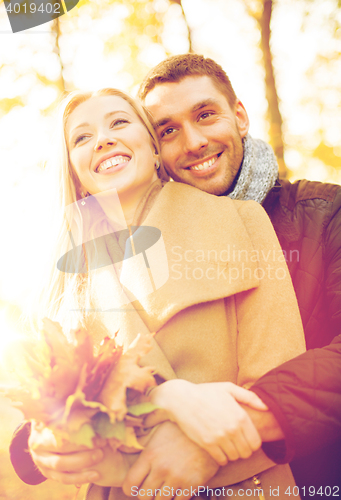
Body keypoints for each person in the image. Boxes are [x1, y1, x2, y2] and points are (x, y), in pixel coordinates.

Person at [9, 87, 306, 499]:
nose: (103, 139)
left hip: (246, 485)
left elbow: (277, 383)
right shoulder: (64, 278)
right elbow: (69, 424)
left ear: (153, 146)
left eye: (119, 122)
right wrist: (165, 397)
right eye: (81, 137)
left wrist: (185, 443)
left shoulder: (241, 220)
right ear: (74, 170)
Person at [135, 53, 341, 493]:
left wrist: (218, 436)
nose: (192, 142)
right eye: (167, 130)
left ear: (240, 117)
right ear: (155, 152)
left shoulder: (327, 213)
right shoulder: (146, 253)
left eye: (205, 115)